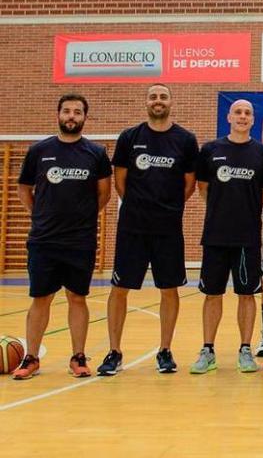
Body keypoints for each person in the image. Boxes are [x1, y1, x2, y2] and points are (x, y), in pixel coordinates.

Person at [98, 84, 198, 376]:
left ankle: (165, 350)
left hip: (168, 228)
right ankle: (114, 351)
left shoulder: (185, 139)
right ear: (146, 102)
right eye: (153, 96)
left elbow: (189, 184)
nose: (158, 101)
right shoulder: (130, 137)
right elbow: (120, 181)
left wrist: (167, 207)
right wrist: (139, 206)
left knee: (169, 289)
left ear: (170, 102)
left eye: (163, 96)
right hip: (133, 227)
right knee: (119, 289)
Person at [12, 94, 112, 380]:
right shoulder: (39, 150)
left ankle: (78, 356)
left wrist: (82, 218)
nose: (72, 116)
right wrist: (41, 215)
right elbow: (24, 189)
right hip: (44, 239)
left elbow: (103, 193)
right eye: (67, 111)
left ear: (84, 117)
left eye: (77, 112)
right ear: (58, 115)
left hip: (80, 240)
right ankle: (31, 358)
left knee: (77, 298)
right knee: (40, 298)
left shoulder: (95, 153)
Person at [189, 100, 263, 375]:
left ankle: (246, 349)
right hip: (215, 235)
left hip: (247, 236)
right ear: (229, 117)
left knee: (246, 294)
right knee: (212, 294)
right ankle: (208, 350)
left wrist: (244, 211)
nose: (242, 116)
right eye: (237, 112)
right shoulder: (210, 150)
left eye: (247, 113)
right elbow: (203, 188)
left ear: (253, 120)